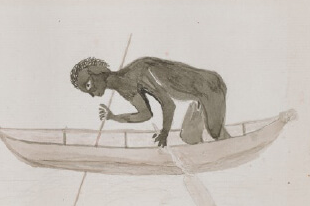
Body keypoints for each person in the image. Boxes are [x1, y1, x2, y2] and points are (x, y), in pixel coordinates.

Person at [70, 56, 229, 147]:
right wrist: (113, 117)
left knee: (215, 133)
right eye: (87, 91)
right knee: (189, 137)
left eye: (88, 85)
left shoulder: (140, 70)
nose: (91, 94)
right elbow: (145, 114)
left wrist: (165, 133)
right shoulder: (125, 88)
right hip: (197, 98)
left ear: (96, 73)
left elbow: (168, 104)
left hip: (210, 88)